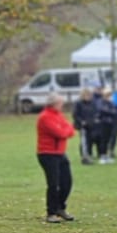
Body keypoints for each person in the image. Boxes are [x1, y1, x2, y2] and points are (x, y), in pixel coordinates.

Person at [36, 92, 77, 221]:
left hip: (60, 153)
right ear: (53, 104)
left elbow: (70, 129)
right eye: (60, 103)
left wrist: (67, 130)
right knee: (54, 184)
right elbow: (60, 133)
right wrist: (66, 131)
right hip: (47, 153)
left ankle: (61, 207)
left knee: (67, 182)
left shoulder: (58, 115)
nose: (62, 105)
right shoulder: (45, 117)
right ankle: (51, 212)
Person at [73, 87, 99, 164]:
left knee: (90, 140)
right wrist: (81, 122)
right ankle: (84, 156)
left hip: (91, 124)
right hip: (82, 125)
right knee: (84, 141)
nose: (88, 97)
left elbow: (95, 112)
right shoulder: (78, 103)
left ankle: (89, 154)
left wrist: (95, 119)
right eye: (86, 95)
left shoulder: (92, 103)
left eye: (89, 95)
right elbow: (75, 114)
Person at [94, 86, 117, 162]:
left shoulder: (111, 102)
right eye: (107, 94)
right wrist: (110, 112)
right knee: (103, 140)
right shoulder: (100, 101)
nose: (109, 96)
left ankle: (106, 156)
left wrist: (110, 112)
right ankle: (102, 156)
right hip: (103, 123)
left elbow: (115, 111)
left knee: (108, 140)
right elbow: (102, 110)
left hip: (110, 123)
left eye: (110, 94)